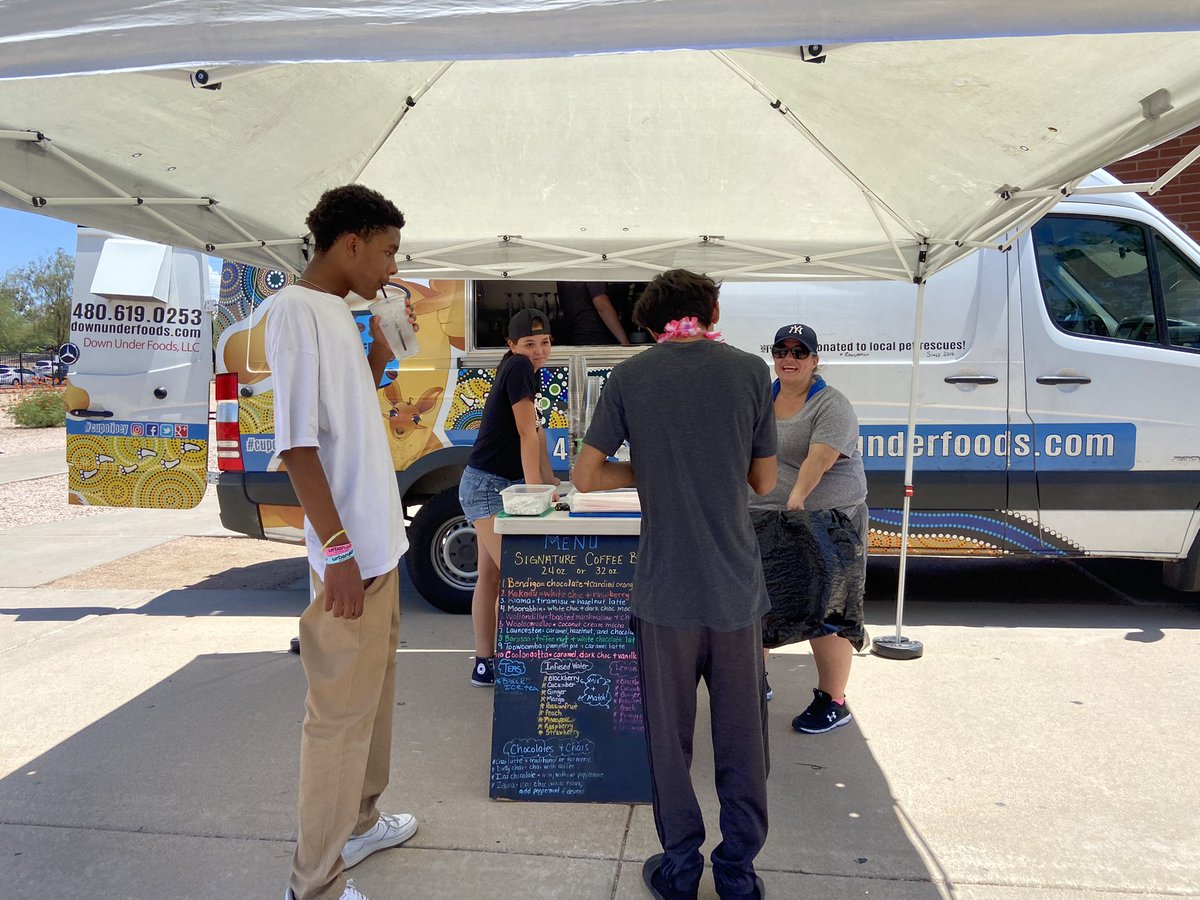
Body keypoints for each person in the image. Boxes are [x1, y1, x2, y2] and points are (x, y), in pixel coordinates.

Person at [574, 269, 777, 900]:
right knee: (744, 738)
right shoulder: (750, 372)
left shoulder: (631, 376)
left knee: (669, 741)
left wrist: (651, 470)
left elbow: (586, 475)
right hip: (736, 590)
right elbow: (764, 482)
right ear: (712, 309)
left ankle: (681, 869)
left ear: (651, 319)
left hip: (664, 592)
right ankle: (738, 875)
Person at [268, 184, 419, 900]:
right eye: (386, 250)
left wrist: (380, 360)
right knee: (336, 722)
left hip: (378, 546)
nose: (390, 267)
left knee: (373, 705)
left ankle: (359, 826)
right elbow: (297, 448)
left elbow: (343, 424)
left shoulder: (336, 313)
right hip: (351, 554)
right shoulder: (296, 312)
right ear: (350, 242)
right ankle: (313, 884)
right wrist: (336, 554)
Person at [750, 323, 869, 735]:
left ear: (815, 361)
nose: (789, 358)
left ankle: (833, 701)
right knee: (756, 602)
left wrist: (796, 502)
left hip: (826, 523)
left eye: (800, 352)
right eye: (782, 350)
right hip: (764, 517)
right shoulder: (761, 397)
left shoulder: (831, 404)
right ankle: (753, 683)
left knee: (828, 610)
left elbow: (819, 459)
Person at [459, 307, 558, 686]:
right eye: (530, 343)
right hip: (490, 488)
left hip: (495, 484)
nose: (539, 350)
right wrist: (537, 495)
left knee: (491, 579)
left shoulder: (526, 370)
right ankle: (518, 669)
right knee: (523, 579)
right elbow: (526, 434)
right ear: (511, 344)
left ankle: (485, 664)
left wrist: (551, 481)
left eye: (545, 342)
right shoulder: (518, 367)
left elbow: (539, 432)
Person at [556, 281, 631, 345]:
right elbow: (602, 305)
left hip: (575, 335)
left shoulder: (565, 271)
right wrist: (624, 340)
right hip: (596, 336)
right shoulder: (591, 269)